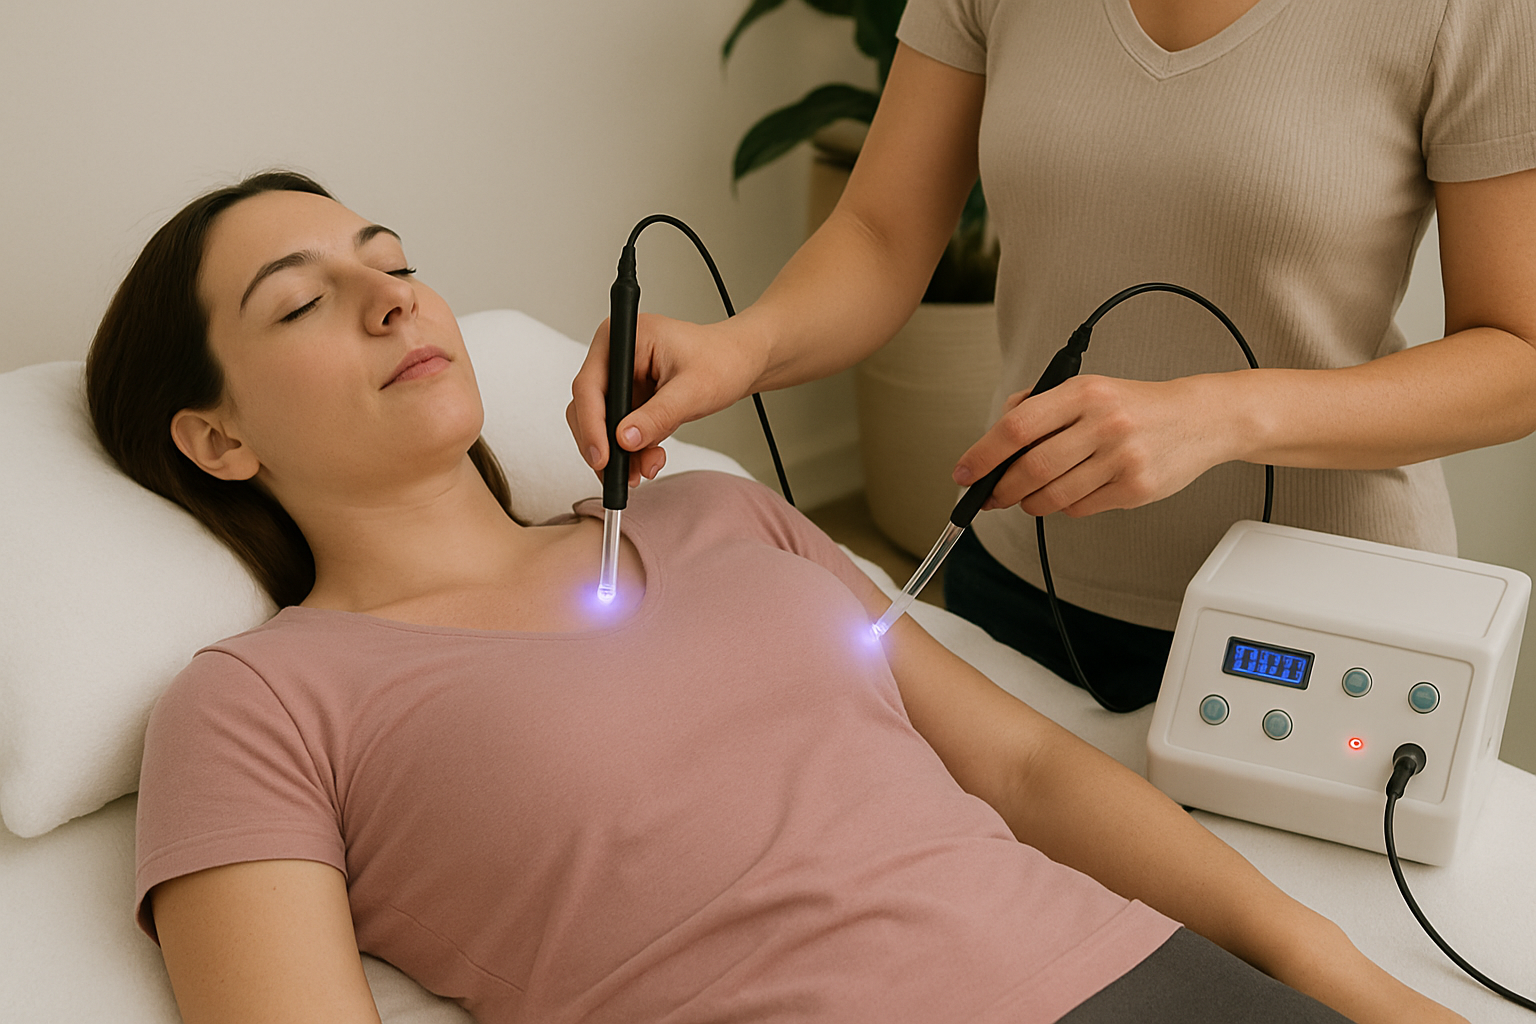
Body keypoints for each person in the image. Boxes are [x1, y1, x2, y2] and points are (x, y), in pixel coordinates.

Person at [87, 171, 1465, 1024]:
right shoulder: (259, 702)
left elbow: (1031, 773)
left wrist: (1352, 984)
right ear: (218, 438)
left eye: (390, 262)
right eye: (300, 304)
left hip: (1151, 984)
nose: (389, 299)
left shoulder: (711, 505)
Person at [567, 0, 1536, 710]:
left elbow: (1516, 352)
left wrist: (1226, 413)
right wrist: (742, 347)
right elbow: (880, 231)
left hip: (1329, 629)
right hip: (1022, 588)